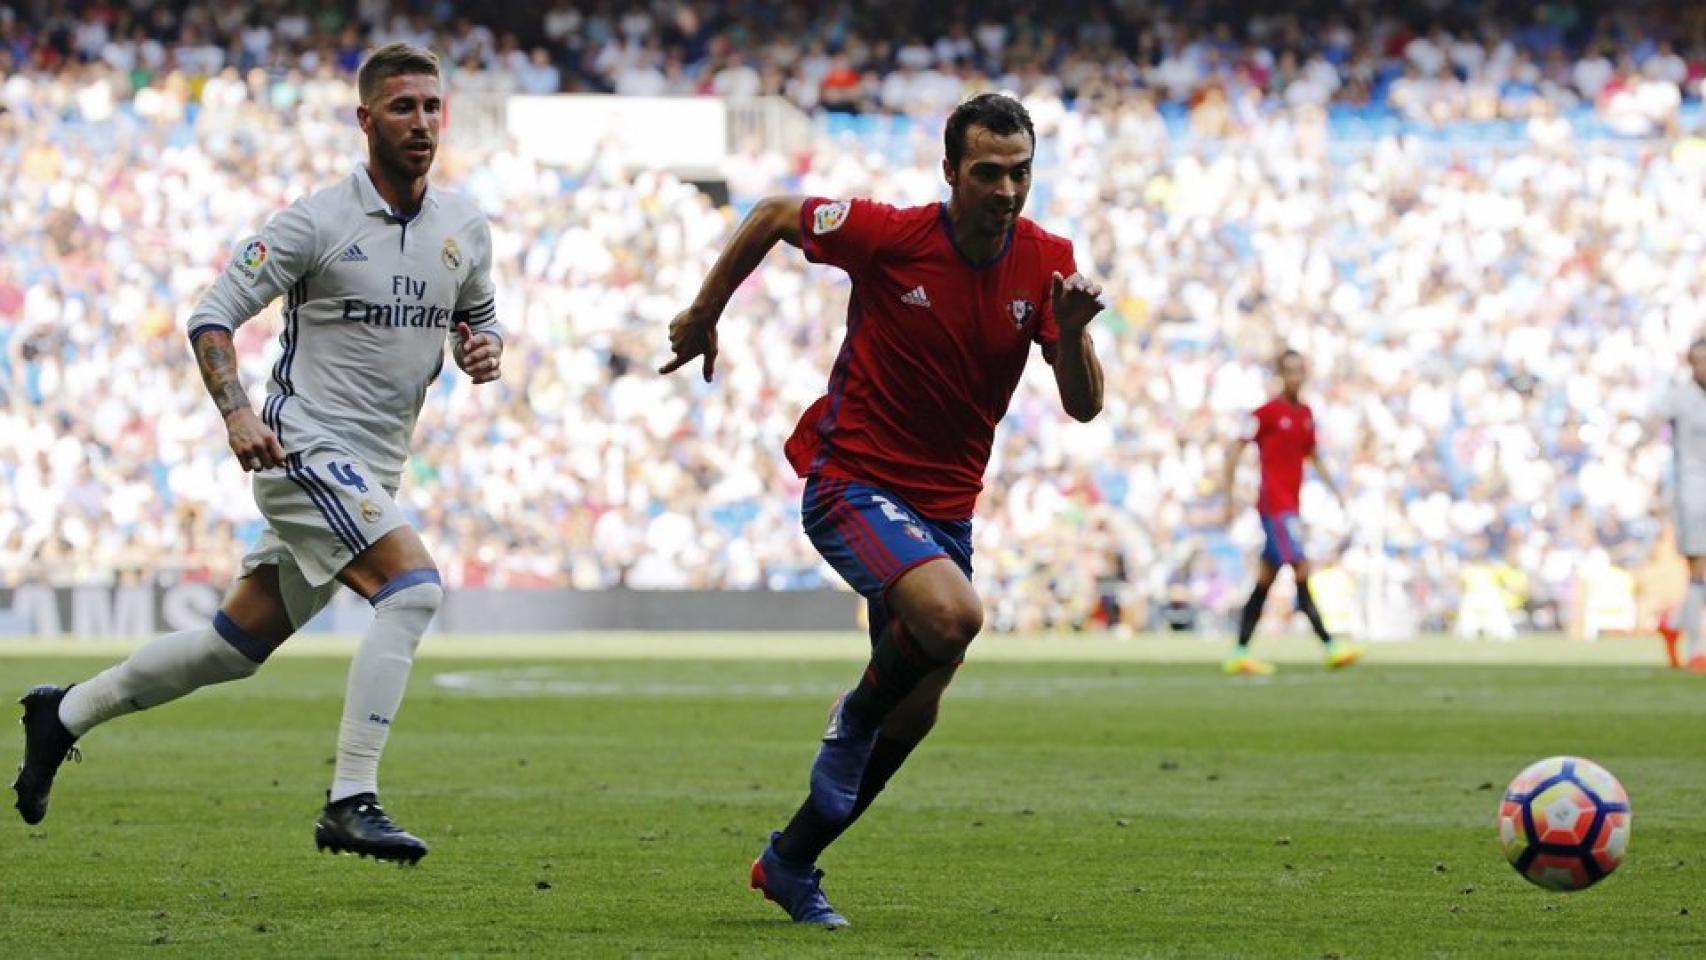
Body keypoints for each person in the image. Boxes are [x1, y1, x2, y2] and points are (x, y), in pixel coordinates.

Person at [11, 43, 505, 863]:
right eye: (402, 107)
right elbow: (212, 315)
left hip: (371, 468)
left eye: (431, 107)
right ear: (365, 120)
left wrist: (483, 348)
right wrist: (238, 413)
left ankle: (61, 715)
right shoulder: (314, 221)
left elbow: (479, 319)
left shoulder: (464, 227)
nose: (421, 123)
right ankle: (351, 798)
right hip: (302, 446)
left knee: (228, 650)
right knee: (413, 592)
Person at [661, 93, 1106, 926]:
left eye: (1020, 173)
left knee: (923, 703)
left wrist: (1075, 334)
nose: (1006, 191)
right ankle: (850, 720)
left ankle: (791, 861)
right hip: (852, 482)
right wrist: (703, 312)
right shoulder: (890, 235)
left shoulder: (1048, 263)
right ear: (949, 174)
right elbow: (770, 214)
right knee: (951, 619)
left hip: (946, 512)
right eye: (987, 173)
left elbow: (1082, 406)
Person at [1221, 349, 1360, 675]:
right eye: (1289, 371)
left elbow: (1313, 454)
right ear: (1280, 375)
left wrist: (1336, 491)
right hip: (1274, 506)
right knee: (1300, 570)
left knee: (1266, 581)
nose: (1295, 377)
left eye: (1300, 371)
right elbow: (1234, 450)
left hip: (1292, 507)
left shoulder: (1306, 415)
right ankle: (1330, 645)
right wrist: (1228, 497)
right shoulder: (1267, 413)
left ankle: (1239, 652)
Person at [1652, 338, 1706, 673]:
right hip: (1694, 492)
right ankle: (1697, 648)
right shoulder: (1680, 397)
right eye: (1698, 360)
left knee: (1699, 576)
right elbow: (1653, 423)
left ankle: (1674, 625)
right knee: (1700, 570)